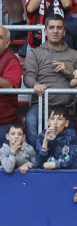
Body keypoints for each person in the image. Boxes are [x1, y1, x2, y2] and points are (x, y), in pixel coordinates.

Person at [22, 15, 77, 150]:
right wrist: (35, 84)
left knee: (67, 145)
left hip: (65, 107)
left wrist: (68, 71)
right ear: (45, 31)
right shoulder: (35, 53)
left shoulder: (74, 55)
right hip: (41, 104)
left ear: (64, 31)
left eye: (59, 28)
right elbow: (28, 76)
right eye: (51, 27)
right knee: (30, 120)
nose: (55, 31)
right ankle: (36, 158)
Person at [35, 105, 77, 169]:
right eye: (52, 119)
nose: (55, 122)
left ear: (66, 123)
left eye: (59, 119)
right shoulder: (42, 136)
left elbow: (75, 162)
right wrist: (45, 141)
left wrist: (56, 165)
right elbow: (39, 164)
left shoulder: (72, 135)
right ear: (48, 122)